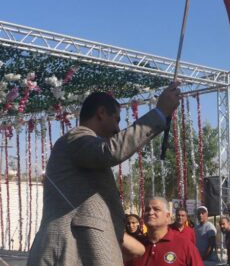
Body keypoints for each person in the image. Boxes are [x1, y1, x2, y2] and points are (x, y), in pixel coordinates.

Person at [27, 83, 181, 266]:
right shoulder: (76, 139)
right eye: (116, 119)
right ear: (101, 113)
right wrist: (160, 112)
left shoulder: (81, 149)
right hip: (68, 253)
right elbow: (111, 151)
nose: (117, 128)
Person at [132, 197, 203, 266]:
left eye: (156, 209)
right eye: (147, 210)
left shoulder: (186, 246)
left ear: (168, 216)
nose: (150, 212)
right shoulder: (134, 245)